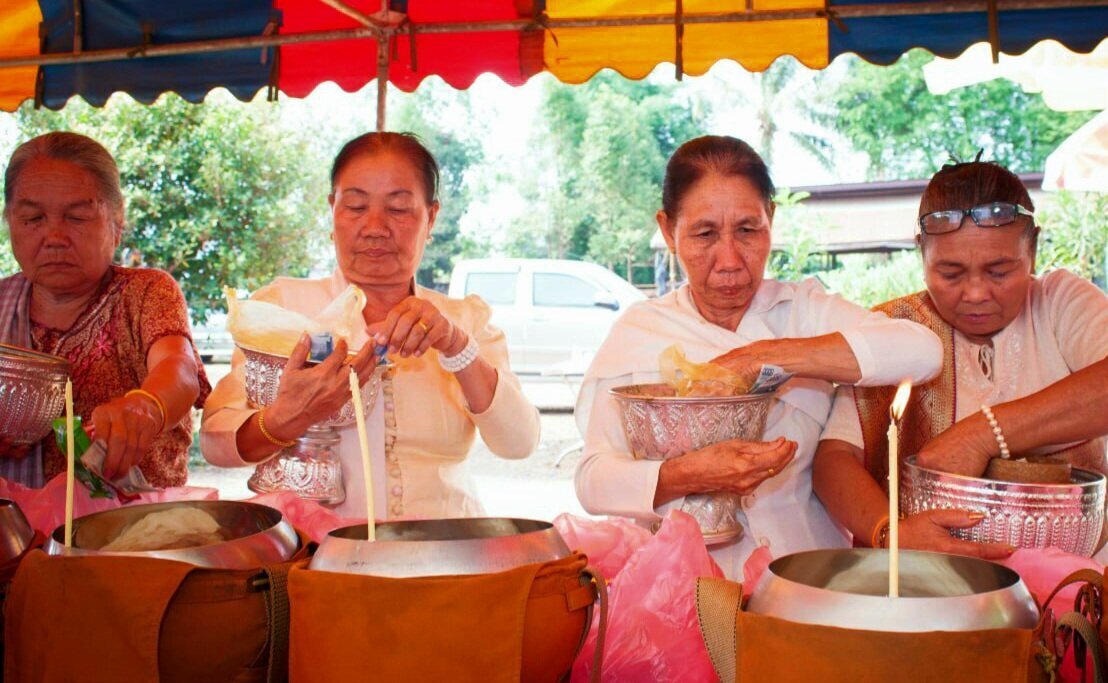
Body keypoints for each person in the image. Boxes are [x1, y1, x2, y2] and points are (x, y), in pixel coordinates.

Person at [574, 135, 944, 577]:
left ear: (771, 218)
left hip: (803, 579)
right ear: (668, 231)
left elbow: (923, 351)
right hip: (680, 588)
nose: (730, 260)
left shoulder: (803, 312)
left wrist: (768, 356)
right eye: (704, 234)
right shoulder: (642, 331)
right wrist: (687, 474)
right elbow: (593, 481)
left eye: (748, 230)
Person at [202, 132, 540, 519]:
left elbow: (519, 442)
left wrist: (456, 347)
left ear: (431, 217)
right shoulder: (283, 308)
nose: (375, 226)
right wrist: (284, 420)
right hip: (314, 548)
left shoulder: (464, 320)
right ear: (332, 209)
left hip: (445, 545)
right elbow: (216, 441)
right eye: (356, 206)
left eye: (398, 209)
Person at [815, 160, 1108, 559]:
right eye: (951, 273)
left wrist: (984, 434)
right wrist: (891, 534)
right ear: (921, 253)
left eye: (999, 271)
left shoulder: (1059, 303)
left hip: (1077, 584)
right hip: (933, 583)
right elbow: (834, 459)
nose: (975, 293)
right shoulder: (894, 330)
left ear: (1033, 250)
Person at [0, 131, 210, 487]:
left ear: (117, 220)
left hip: (137, 521)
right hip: (14, 522)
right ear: (9, 221)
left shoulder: (145, 293)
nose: (54, 237)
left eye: (77, 217)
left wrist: (144, 407)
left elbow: (179, 369)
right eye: (33, 218)